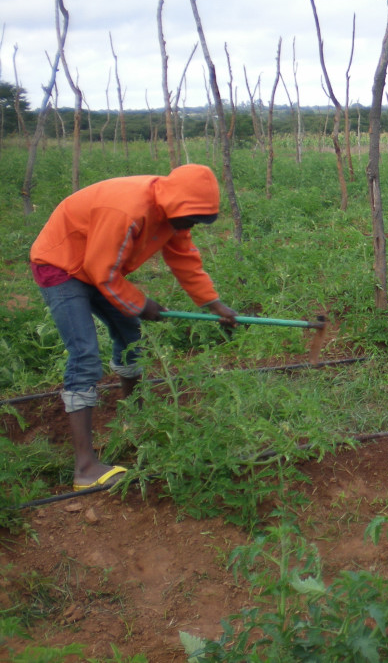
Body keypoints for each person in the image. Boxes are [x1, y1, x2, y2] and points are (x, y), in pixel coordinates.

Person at [29, 164, 238, 491]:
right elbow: (103, 272)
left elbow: (184, 258)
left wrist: (215, 305)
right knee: (84, 355)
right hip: (61, 266)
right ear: (174, 204)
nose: (191, 225)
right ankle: (85, 467)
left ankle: (134, 420)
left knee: (129, 335)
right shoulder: (128, 210)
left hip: (96, 262)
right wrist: (142, 305)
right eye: (190, 218)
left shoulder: (174, 213)